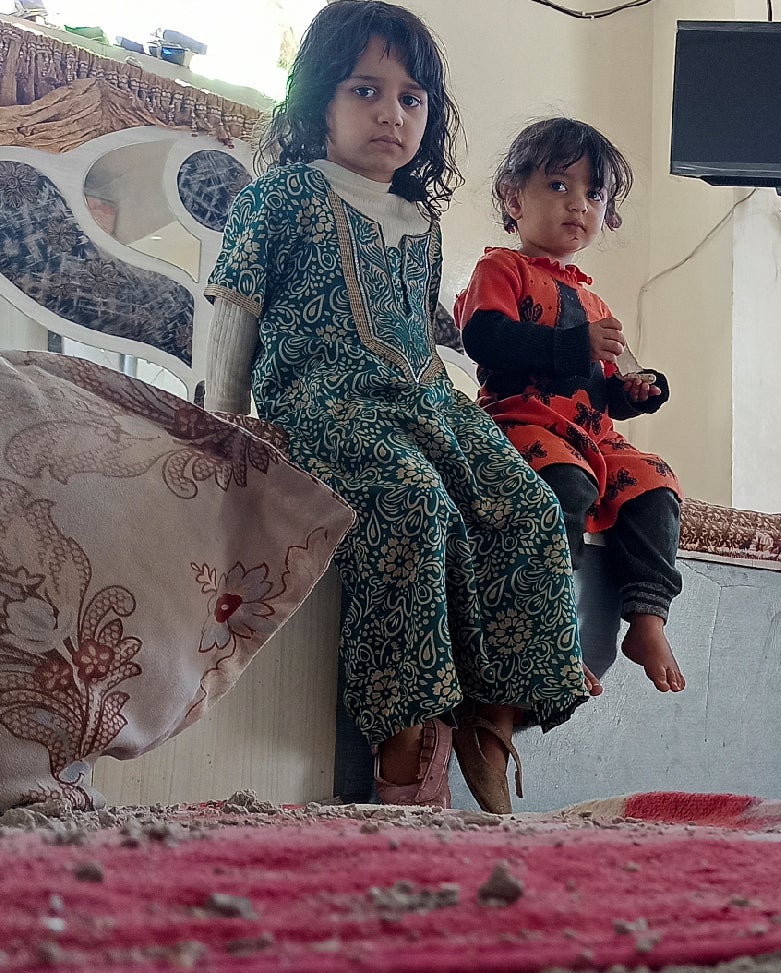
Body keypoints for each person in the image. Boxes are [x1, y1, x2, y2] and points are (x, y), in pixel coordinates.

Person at [201, 2, 592, 810]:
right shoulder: (278, 198)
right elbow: (235, 310)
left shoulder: (423, 221)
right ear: (320, 101)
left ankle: (493, 722)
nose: (391, 112)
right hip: (319, 402)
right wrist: (225, 426)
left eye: (412, 98)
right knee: (413, 503)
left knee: (527, 505)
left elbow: (416, 335)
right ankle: (405, 746)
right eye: (365, 90)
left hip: (425, 403)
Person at [452, 117, 689, 702]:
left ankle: (647, 620)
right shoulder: (500, 270)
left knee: (657, 484)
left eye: (593, 193)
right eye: (559, 186)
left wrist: (636, 390)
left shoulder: (592, 298)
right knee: (566, 486)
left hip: (590, 433)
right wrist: (574, 345)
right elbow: (487, 341)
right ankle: (551, 633)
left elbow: (601, 385)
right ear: (514, 198)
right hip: (524, 420)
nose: (578, 204)